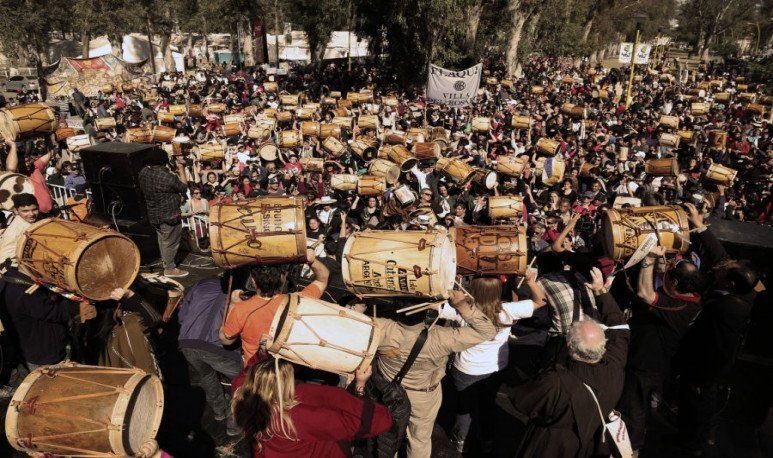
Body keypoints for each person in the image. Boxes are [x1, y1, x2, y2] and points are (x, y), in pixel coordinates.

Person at [501, 267, 629, 457]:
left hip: (551, 444)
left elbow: (521, 401)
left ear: (569, 344)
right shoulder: (615, 363)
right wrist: (600, 291)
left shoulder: (556, 381)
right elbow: (619, 326)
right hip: (591, 439)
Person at [374, 290, 497, 458]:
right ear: (426, 311)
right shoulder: (441, 338)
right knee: (420, 439)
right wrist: (462, 306)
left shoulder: (380, 328)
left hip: (388, 391)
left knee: (388, 434)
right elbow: (488, 331)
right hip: (424, 396)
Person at [437, 272, 546, 452]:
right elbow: (540, 301)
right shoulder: (507, 310)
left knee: (464, 408)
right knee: (488, 404)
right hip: (496, 368)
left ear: (473, 289)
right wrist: (530, 282)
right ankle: (487, 439)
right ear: (498, 290)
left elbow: (435, 306)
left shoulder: (461, 311)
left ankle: (460, 442)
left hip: (465, 369)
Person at [617, 244, 703, 452]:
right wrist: (661, 258)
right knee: (639, 405)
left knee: (633, 407)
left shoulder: (680, 307)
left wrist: (648, 259)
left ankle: (631, 449)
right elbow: (664, 276)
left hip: (646, 365)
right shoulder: (688, 297)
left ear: (675, 282)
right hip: (652, 363)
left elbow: (645, 293)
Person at [231, 356, 393, 457]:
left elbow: (246, 372)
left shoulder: (241, 397)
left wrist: (263, 354)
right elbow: (380, 420)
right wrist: (359, 386)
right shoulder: (298, 417)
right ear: (286, 383)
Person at [220, 249, 329, 363]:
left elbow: (226, 340)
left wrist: (233, 303)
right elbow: (323, 279)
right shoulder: (297, 300)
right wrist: (312, 261)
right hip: (288, 369)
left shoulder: (241, 309)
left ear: (253, 281)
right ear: (282, 279)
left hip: (255, 369)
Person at [179, 276, 243, 437]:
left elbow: (182, 315)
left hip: (187, 342)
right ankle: (234, 424)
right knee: (244, 382)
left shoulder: (202, 282)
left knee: (206, 375)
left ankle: (218, 411)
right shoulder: (243, 294)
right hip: (217, 348)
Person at [138, 156, 189, 277]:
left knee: (162, 240)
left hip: (154, 214)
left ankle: (166, 262)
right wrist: (181, 168)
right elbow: (184, 187)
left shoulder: (143, 173)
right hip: (169, 215)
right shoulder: (167, 176)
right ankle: (170, 269)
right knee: (170, 242)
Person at [0, 193, 40, 270]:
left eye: (34, 209)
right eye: (25, 211)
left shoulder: (20, 220)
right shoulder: (26, 228)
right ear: (16, 211)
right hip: (11, 269)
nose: (31, 214)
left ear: (38, 207)